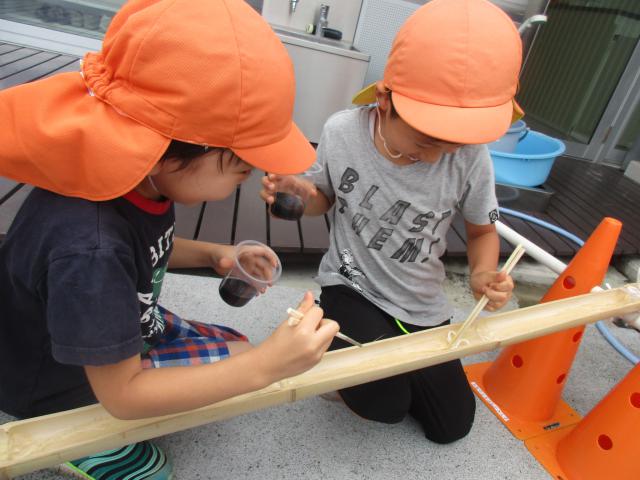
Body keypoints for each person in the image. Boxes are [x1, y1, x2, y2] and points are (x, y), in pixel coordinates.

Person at [0, 1, 338, 478]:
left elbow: (138, 251)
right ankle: (69, 439)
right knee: (237, 377)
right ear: (164, 148)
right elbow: (123, 395)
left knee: (240, 348)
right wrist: (266, 368)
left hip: (112, 318)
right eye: (240, 163)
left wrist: (215, 254)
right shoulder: (89, 247)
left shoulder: (131, 177)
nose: (248, 174)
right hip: (61, 380)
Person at [261, 0, 520, 443]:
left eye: (453, 146)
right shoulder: (343, 131)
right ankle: (335, 333)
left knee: (451, 426)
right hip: (352, 285)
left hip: (422, 302)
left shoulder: (471, 157)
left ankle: (362, 354)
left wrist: (482, 273)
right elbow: (325, 199)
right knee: (385, 405)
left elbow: (481, 230)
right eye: (426, 141)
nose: (437, 157)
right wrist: (304, 197)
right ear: (384, 100)